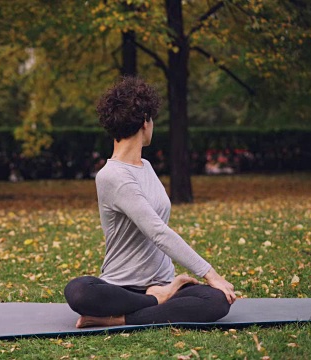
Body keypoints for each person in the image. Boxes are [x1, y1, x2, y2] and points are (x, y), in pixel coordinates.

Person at [64, 77, 236, 328]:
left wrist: (169, 288)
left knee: (216, 301)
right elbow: (157, 231)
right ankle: (156, 301)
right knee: (79, 291)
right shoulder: (111, 176)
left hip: (164, 283)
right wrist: (211, 274)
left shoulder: (147, 167)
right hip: (121, 289)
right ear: (145, 122)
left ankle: (124, 318)